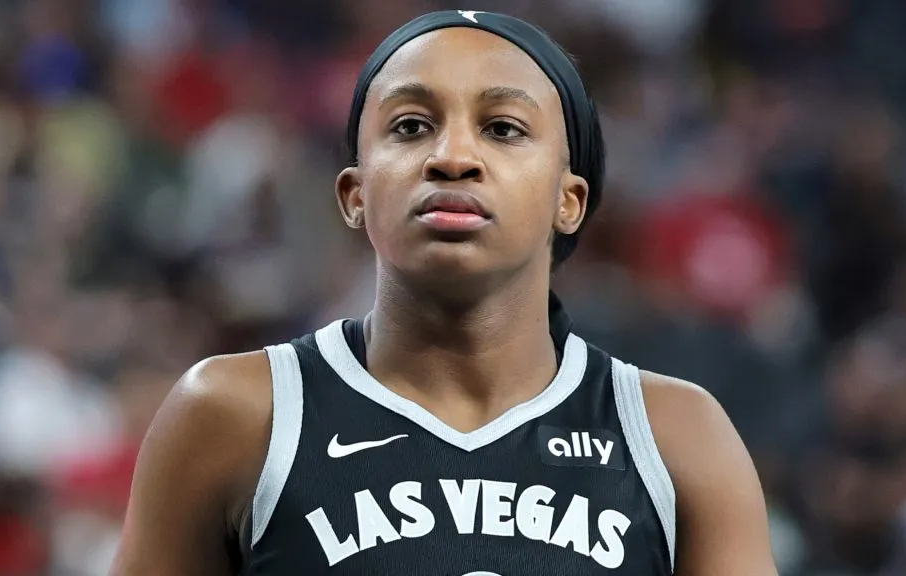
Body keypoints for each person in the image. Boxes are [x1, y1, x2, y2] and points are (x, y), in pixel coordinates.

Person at [112, 10, 778, 576]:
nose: (453, 156)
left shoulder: (677, 436)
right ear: (354, 194)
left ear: (569, 200)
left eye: (503, 129)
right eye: (409, 126)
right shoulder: (233, 414)